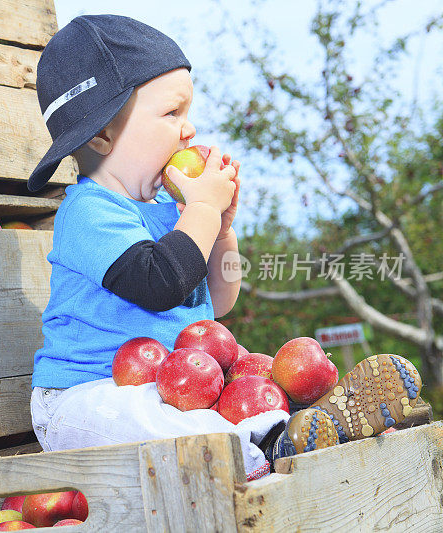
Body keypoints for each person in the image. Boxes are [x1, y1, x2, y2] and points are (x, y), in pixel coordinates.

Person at [26, 14, 422, 479]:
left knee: (243, 390)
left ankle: (306, 428)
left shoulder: (172, 215)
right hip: (87, 399)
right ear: (101, 132)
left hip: (180, 390)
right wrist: (203, 213)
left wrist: (222, 230)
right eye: (171, 113)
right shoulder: (90, 212)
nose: (188, 130)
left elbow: (221, 300)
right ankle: (275, 447)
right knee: (158, 422)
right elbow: (159, 284)